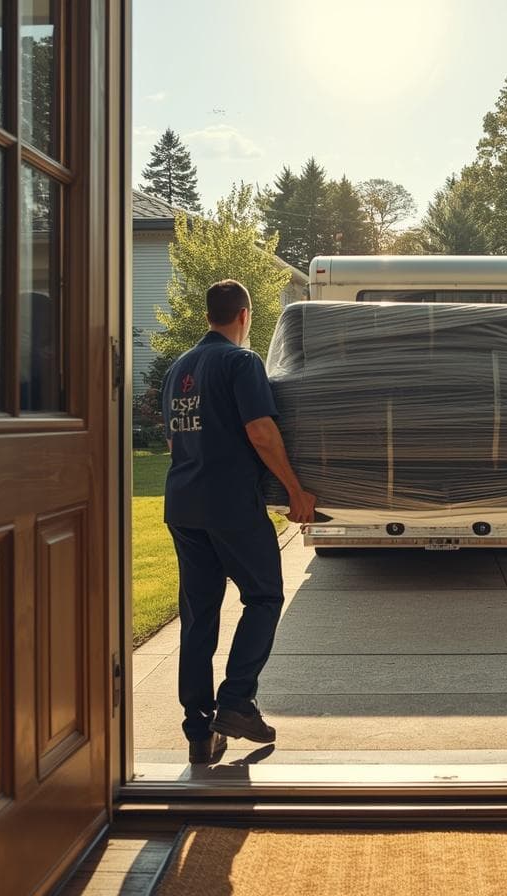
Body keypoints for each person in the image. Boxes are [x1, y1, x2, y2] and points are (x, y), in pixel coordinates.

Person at [163, 279, 317, 765]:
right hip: (229, 503)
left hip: (184, 506)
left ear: (210, 314)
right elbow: (260, 431)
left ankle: (198, 732)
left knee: (199, 617)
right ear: (245, 316)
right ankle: (235, 702)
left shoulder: (178, 368)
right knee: (265, 595)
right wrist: (295, 489)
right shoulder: (241, 362)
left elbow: (174, 441)